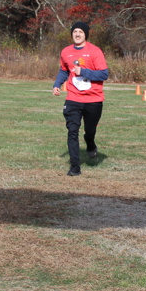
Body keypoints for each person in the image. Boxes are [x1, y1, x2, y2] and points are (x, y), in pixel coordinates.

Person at [52, 22, 107, 176]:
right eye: (75, 31)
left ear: (86, 34)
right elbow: (64, 70)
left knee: (90, 130)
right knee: (72, 130)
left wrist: (83, 71)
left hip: (93, 99)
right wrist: (57, 84)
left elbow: (104, 74)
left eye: (80, 32)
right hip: (73, 98)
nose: (77, 34)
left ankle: (90, 144)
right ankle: (75, 166)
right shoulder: (66, 52)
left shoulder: (95, 51)